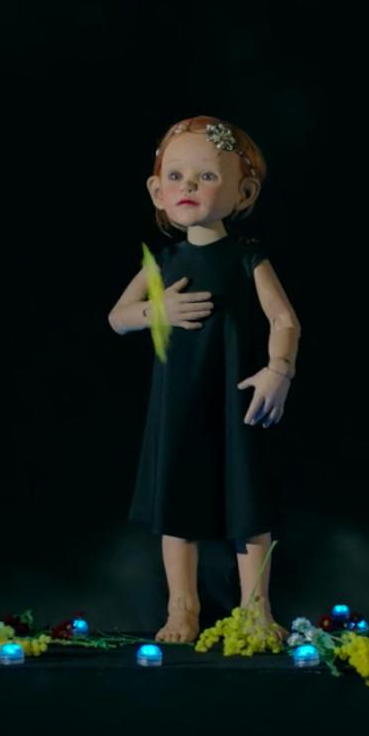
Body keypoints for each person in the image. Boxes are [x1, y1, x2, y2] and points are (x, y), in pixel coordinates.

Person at [107, 116, 300, 644]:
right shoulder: (164, 261)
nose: (188, 185)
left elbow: (285, 320)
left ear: (244, 192)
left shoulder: (247, 257)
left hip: (237, 397)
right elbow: (118, 317)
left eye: (207, 176)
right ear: (157, 191)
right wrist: (156, 310)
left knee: (247, 502)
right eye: (176, 176)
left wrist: (278, 371)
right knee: (178, 502)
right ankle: (183, 608)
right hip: (179, 400)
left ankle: (256, 609)